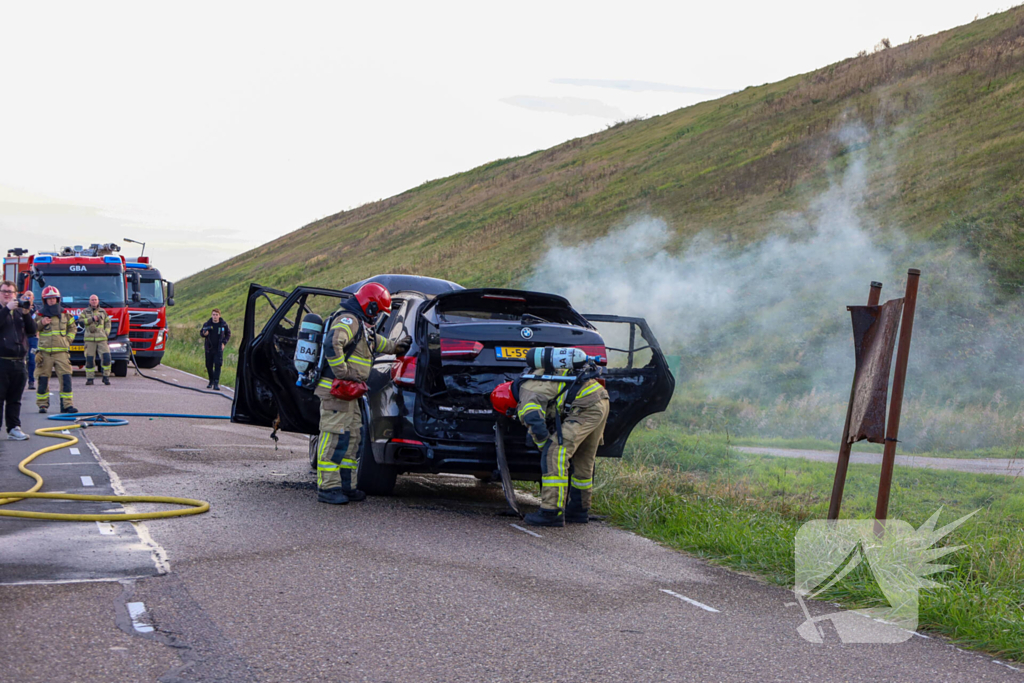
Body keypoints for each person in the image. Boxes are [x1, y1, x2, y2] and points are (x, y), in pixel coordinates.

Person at [313, 283, 410, 504]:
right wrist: (343, 372)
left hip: (350, 393)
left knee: (352, 439)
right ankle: (327, 489)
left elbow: (374, 343)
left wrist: (396, 347)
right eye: (377, 310)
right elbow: (332, 343)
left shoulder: (362, 323)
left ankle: (347, 487)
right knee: (335, 439)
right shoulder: (349, 319)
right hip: (336, 392)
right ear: (370, 304)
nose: (377, 316)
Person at [516, 347, 610, 527]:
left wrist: (544, 445)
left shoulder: (526, 393)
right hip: (601, 400)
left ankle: (551, 512)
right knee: (584, 458)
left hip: (586, 407)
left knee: (554, 453)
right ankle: (578, 510)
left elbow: (533, 419)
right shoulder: (537, 376)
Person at [0, 280, 36, 440]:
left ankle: (14, 427)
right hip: (2, 361)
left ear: (16, 294)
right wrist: (7, 310)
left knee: (15, 399)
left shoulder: (19, 312)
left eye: (10, 292)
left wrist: (27, 314)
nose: (7, 294)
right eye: (4, 291)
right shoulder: (3, 310)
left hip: (19, 361)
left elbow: (32, 331)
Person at [35, 285, 77, 414]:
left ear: (58, 299)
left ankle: (67, 405)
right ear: (44, 300)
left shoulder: (65, 314)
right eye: (49, 299)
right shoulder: (39, 314)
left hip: (62, 353)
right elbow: (31, 329)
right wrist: (41, 323)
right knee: (42, 379)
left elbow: (72, 328)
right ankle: (42, 404)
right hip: (44, 353)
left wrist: (68, 340)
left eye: (54, 298)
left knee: (66, 378)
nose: (52, 301)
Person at [82, 294, 111, 386]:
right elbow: (81, 321)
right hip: (89, 340)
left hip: (102, 339)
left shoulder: (103, 312)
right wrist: (91, 319)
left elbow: (108, 323)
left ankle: (106, 377)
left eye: (95, 300)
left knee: (106, 358)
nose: (94, 301)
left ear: (98, 301)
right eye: (92, 300)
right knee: (89, 360)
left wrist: (106, 332)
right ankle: (90, 379)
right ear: (89, 301)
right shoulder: (85, 312)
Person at [200, 309, 231, 390]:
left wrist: (224, 343)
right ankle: (211, 381)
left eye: (216, 315)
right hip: (209, 348)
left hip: (218, 349)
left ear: (219, 316)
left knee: (218, 365)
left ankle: (216, 383)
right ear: (211, 315)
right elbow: (201, 333)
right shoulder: (207, 324)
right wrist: (204, 334)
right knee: (209, 365)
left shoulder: (223, 325)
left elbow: (228, 334)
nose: (215, 316)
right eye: (213, 314)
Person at [21, 291, 37, 391]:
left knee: (32, 360)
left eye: (29, 295)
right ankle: (21, 382)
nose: (28, 297)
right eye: (26, 295)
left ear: (33, 298)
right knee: (22, 360)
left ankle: (31, 381)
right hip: (23, 337)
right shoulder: (20, 308)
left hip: (33, 338)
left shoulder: (37, 309)